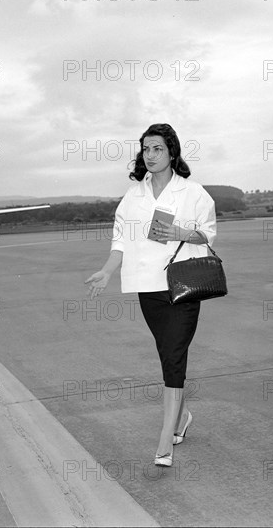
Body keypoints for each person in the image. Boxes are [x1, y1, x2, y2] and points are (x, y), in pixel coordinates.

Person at [85, 123, 216, 467]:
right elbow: (120, 242)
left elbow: (208, 235)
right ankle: (183, 416)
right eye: (146, 149)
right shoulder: (133, 197)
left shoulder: (194, 193)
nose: (151, 155)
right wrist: (106, 271)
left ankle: (164, 442)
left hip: (181, 286)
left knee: (173, 358)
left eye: (157, 148)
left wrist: (178, 231)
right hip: (148, 288)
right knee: (167, 355)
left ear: (172, 152)